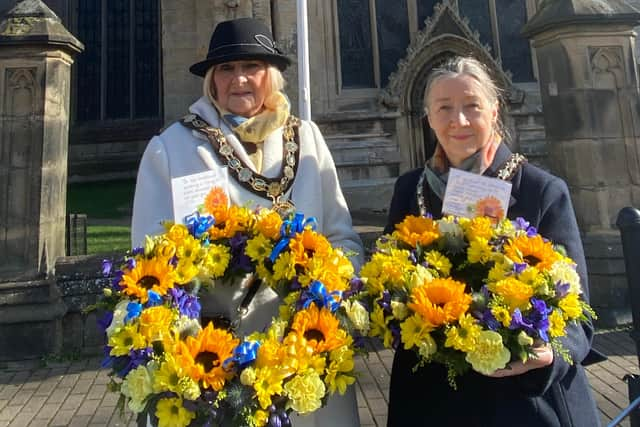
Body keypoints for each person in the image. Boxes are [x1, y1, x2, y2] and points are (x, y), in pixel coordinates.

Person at [131, 17, 363, 427]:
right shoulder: (171, 149)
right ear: (212, 82)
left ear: (270, 76)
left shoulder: (307, 139)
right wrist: (194, 353)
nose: (239, 79)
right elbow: (151, 267)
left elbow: (342, 237)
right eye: (226, 69)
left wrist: (329, 304)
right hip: (219, 364)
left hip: (307, 354)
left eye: (251, 67)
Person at [384, 56, 601, 427]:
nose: (460, 121)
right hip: (431, 402)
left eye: (472, 106)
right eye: (445, 108)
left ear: (494, 109)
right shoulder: (409, 191)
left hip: (522, 401)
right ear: (428, 116)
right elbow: (388, 285)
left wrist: (548, 354)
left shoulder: (540, 191)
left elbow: (578, 315)